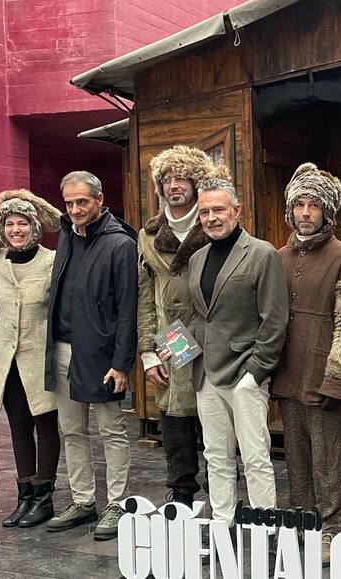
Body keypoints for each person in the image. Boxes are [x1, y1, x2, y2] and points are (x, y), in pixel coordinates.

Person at [181, 173, 288, 523]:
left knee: (255, 457)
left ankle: (265, 527)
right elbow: (202, 318)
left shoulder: (262, 254)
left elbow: (275, 321)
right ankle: (222, 524)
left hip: (245, 373)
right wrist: (176, 346)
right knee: (216, 456)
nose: (211, 218)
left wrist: (256, 373)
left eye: (218, 210)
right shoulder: (197, 259)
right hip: (206, 375)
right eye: (204, 212)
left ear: (236, 210)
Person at [272, 163, 341, 563]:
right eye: (300, 205)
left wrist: (337, 377)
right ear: (290, 210)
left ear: (327, 211)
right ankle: (302, 521)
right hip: (287, 374)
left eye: (313, 205)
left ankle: (332, 529)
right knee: (295, 455)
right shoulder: (277, 256)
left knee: (328, 459)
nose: (305, 212)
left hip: (324, 374)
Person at [44, 171, 138, 541]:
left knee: (111, 430)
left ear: (99, 200)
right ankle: (83, 501)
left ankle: (117, 503)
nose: (75, 209)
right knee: (71, 430)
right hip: (63, 349)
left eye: (82, 201)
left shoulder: (120, 244)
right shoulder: (67, 235)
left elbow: (128, 308)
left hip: (101, 355)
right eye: (69, 203)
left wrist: (121, 363)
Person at [0, 189, 62, 528]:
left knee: (45, 424)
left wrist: (24, 198)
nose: (16, 229)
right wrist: (1, 204)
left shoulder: (51, 260)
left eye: (23, 223)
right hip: (6, 359)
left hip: (39, 357)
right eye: (10, 223)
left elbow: (58, 219)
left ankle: (44, 498)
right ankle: (25, 496)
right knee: (19, 427)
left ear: (34, 226)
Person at [137, 146, 215, 506]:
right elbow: (145, 295)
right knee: (175, 410)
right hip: (171, 335)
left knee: (214, 417)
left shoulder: (215, 222)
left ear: (196, 183)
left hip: (214, 334)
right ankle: (181, 491)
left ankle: (221, 494)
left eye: (181, 178)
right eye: (166, 180)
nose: (173, 186)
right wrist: (148, 353)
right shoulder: (149, 234)